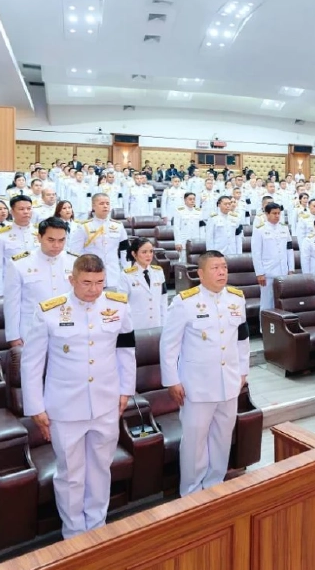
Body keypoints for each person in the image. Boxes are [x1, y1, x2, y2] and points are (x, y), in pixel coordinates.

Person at [20, 254, 136, 538]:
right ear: (71, 280)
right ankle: (73, 532)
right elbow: (32, 361)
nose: (94, 289)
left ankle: (97, 526)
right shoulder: (49, 311)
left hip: (106, 401)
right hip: (64, 405)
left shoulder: (118, 307)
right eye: (86, 282)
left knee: (100, 467)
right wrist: (36, 406)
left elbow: (126, 350)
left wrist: (126, 390)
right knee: (70, 473)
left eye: (99, 282)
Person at [160, 251, 250, 494]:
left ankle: (214, 486)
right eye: (215, 268)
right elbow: (169, 345)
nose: (222, 272)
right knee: (194, 443)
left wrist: (243, 371)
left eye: (224, 267)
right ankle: (190, 492)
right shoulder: (184, 302)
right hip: (196, 386)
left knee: (222, 439)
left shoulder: (236, 298)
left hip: (229, 382)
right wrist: (172, 381)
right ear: (200, 274)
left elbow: (242, 338)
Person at [5, 217, 76, 346]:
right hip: (32, 330)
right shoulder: (19, 263)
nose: (56, 245)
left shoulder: (74, 261)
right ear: (39, 237)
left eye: (61, 240)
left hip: (67, 327)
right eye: (51, 240)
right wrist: (13, 336)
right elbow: (12, 303)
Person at [250, 203, 294, 324]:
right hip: (267, 272)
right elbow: (256, 253)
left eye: (278, 213)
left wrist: (291, 269)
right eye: (274, 213)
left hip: (283, 272)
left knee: (281, 302)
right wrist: (259, 273)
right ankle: (264, 329)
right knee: (267, 302)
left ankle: (279, 330)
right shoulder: (260, 230)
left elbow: (289, 249)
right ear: (267, 214)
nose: (277, 216)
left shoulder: (284, 228)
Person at [0, 195, 40, 298]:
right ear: (12, 211)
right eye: (21, 209)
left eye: (29, 208)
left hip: (37, 283)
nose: (26, 212)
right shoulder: (1, 234)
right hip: (12, 285)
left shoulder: (40, 231)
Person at [69, 193, 127, 273]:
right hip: (91, 272)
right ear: (93, 206)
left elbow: (124, 250)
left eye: (107, 203)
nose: (105, 206)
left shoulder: (118, 226)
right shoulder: (84, 227)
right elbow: (75, 252)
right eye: (101, 203)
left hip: (113, 273)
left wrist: (127, 270)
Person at [119, 237, 168, 329]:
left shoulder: (158, 272)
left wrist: (164, 323)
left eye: (151, 251)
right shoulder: (126, 275)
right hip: (136, 325)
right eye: (144, 252)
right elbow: (122, 305)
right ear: (134, 254)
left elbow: (163, 300)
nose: (149, 255)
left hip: (156, 324)